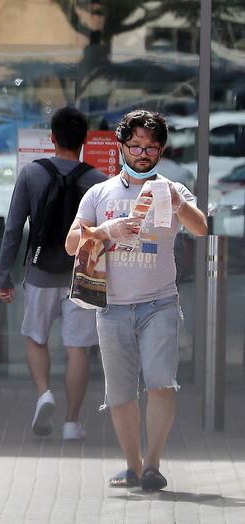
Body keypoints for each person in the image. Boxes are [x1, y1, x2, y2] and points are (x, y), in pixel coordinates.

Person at [66, 109, 207, 491]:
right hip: (112, 306)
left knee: (161, 382)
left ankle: (153, 466)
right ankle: (132, 464)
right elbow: (70, 243)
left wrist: (178, 204)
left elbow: (200, 228)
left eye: (151, 147)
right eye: (136, 146)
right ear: (122, 146)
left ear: (161, 150)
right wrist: (105, 230)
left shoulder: (172, 189)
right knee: (121, 391)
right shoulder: (100, 193)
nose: (143, 154)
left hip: (159, 302)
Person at [0, 107, 107, 440]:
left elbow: (13, 229)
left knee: (35, 338)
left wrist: (4, 276)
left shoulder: (32, 174)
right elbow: (103, 238)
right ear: (85, 140)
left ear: (53, 139)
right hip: (81, 275)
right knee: (78, 349)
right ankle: (72, 422)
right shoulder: (98, 180)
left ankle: (44, 392)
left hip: (40, 271)